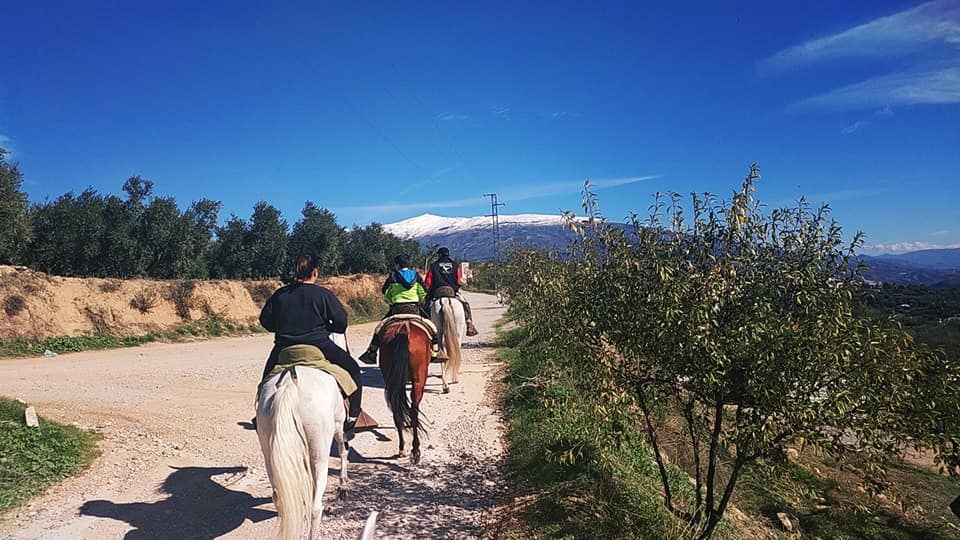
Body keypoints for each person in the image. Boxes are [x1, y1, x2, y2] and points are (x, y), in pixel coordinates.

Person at [257, 254, 364, 433]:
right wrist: (329, 328)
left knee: (265, 380)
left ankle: (261, 414)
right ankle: (353, 416)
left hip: (284, 348)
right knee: (353, 370)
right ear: (315, 272)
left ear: (295, 271)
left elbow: (265, 320)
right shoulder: (323, 295)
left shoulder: (280, 294)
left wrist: (282, 329)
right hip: (320, 346)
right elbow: (341, 322)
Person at [358, 254, 439, 364]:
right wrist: (418, 299)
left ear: (397, 265)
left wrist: (391, 299)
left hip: (397, 309)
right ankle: (435, 350)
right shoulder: (415, 275)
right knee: (432, 328)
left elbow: (385, 291)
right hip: (414, 308)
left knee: (379, 328)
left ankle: (372, 351)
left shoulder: (393, 276)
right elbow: (423, 291)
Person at [425, 247, 479, 336]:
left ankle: (426, 328)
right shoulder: (455, 265)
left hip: (437, 292)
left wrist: (428, 293)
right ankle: (469, 324)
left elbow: (428, 282)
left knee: (425, 307)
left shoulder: (433, 266)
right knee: (465, 304)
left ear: (439, 255)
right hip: (451, 292)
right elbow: (458, 280)